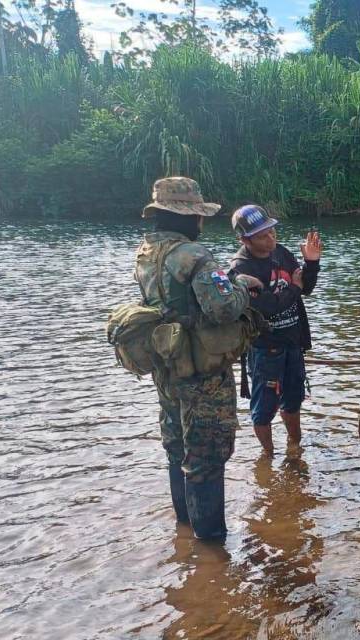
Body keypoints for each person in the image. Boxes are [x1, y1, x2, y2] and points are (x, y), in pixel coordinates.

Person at [135, 176, 251, 541]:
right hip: (202, 373)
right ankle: (212, 545)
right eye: (199, 216)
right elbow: (222, 309)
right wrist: (244, 287)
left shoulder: (145, 252)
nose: (202, 222)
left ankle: (185, 535)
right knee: (206, 455)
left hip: (167, 366)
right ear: (188, 218)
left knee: (176, 445)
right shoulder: (194, 256)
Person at [228, 205, 322, 457]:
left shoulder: (281, 253)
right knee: (264, 407)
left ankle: (294, 448)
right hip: (264, 348)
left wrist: (311, 263)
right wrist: (293, 287)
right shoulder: (241, 269)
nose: (270, 239)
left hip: (292, 341)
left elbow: (306, 288)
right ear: (244, 240)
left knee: (293, 399)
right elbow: (267, 307)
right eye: (262, 236)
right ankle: (268, 456)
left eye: (272, 232)